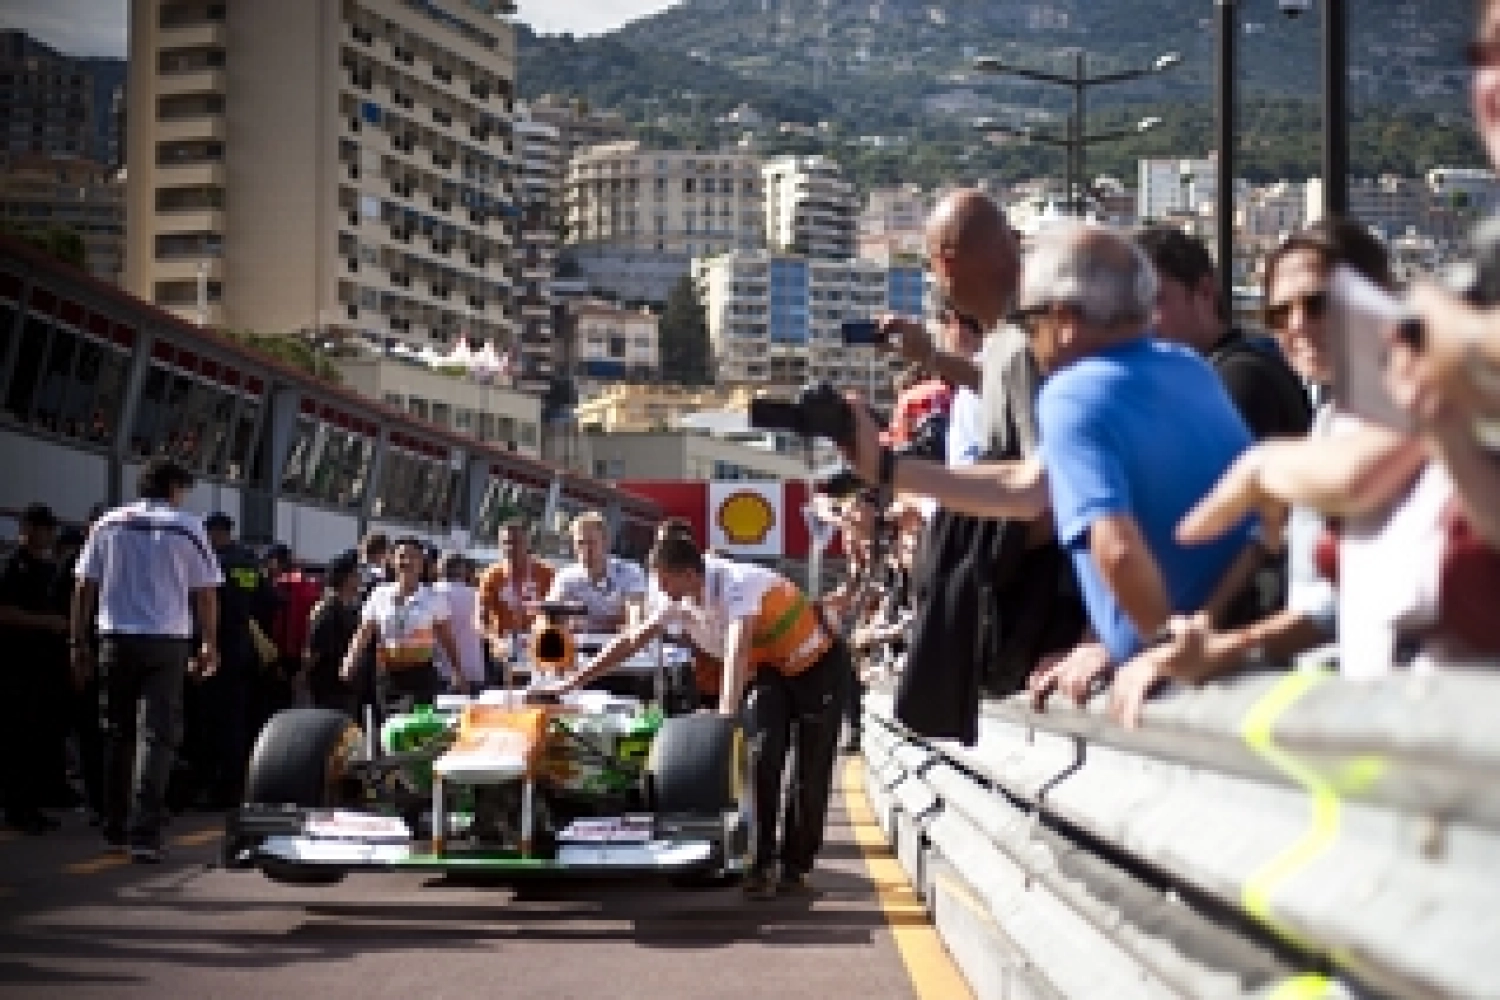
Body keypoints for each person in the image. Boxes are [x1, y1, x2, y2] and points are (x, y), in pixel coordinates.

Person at [1108, 221, 1416, 725]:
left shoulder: (1420, 407)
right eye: (1279, 313)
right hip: (1365, 702)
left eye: (1318, 304)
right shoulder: (1330, 420)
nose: (1297, 325)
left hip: (1422, 715)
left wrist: (1225, 647)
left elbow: (1346, 602)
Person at [842, 189, 1084, 743]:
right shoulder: (1008, 339)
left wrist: (891, 472)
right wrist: (930, 357)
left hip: (1047, 608)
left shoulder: (1023, 340)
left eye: (930, 263)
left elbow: (1046, 486)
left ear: (945, 261)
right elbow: (997, 385)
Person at [1007, 223, 1258, 712]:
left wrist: (1163, 648)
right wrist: (889, 469)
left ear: (1060, 318)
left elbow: (1118, 551)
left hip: (1173, 687)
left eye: (1027, 323)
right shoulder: (1189, 369)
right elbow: (1257, 528)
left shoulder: (1070, 393)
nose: (1030, 342)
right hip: (1236, 648)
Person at [558, 523, 848, 900]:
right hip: (772, 670)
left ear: (690, 575)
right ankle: (761, 865)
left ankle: (795, 867)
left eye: (666, 583)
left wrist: (726, 715)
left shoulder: (737, 584)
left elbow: (736, 649)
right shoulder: (674, 598)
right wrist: (572, 682)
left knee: (810, 772)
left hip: (818, 665)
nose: (661, 594)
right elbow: (631, 641)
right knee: (762, 759)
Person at [72, 459, 223, 862]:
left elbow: (84, 584)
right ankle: (145, 832)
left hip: (114, 637)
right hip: (167, 640)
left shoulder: (107, 523)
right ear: (172, 487)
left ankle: (114, 827)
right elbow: (206, 592)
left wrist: (78, 643)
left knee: (116, 733)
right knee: (157, 736)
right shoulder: (186, 526)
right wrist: (210, 643)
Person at [1135, 226, 1312, 441]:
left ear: (1205, 292)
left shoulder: (1238, 381)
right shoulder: (1247, 365)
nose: (1139, 322)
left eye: (1153, 300)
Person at [0, 504, 69, 833]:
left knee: (39, 738)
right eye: (42, 529)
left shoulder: (47, 569)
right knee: (18, 739)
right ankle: (17, 809)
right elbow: (6, 613)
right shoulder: (12, 567)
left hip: (44, 668)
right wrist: (48, 623)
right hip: (16, 666)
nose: (47, 536)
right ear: (26, 529)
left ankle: (33, 805)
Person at [341, 538, 462, 715]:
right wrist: (350, 660)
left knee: (415, 728)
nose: (407, 562)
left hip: (421, 676)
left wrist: (458, 671)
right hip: (388, 676)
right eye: (402, 556)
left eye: (413, 557)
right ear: (393, 561)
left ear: (422, 563)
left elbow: (447, 638)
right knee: (390, 728)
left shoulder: (434, 598)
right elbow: (364, 632)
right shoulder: (379, 594)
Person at [545, 512, 648, 632]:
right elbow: (551, 612)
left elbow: (635, 619)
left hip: (619, 644)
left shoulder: (630, 571)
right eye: (580, 543)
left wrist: (586, 623)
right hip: (577, 644)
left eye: (591, 542)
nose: (586, 549)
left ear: (605, 543)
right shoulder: (566, 575)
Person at [477, 519, 555, 671]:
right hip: (503, 653)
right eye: (506, 542)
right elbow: (480, 619)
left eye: (517, 542)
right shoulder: (491, 576)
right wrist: (495, 640)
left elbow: (556, 613)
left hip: (538, 650)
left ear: (528, 543)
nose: (511, 547)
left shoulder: (546, 573)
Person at [304, 555, 363, 712]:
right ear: (346, 578)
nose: (360, 580)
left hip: (345, 687)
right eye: (356, 575)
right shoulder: (327, 610)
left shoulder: (348, 608)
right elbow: (313, 652)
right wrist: (302, 677)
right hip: (329, 688)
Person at [432, 551, 485, 696]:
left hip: (441, 671)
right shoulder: (477, 595)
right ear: (463, 571)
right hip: (474, 669)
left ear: (439, 568)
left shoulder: (430, 594)